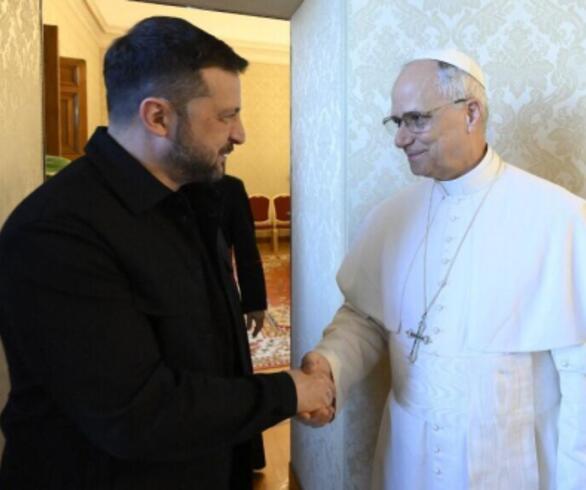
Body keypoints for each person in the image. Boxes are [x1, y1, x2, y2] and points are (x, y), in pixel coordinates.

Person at [0, 16, 335, 490]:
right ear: (158, 117)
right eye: (226, 116)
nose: (240, 134)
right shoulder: (56, 232)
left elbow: (212, 352)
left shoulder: (189, 198)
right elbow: (136, 413)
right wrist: (289, 392)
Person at [300, 49, 586, 489]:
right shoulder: (391, 217)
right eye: (397, 122)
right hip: (408, 458)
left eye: (416, 119)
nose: (400, 139)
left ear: (471, 113)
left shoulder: (559, 218)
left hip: (509, 465)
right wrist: (329, 365)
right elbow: (365, 319)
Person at [215, 172, 267, 338]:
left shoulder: (230, 188)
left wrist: (254, 302)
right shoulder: (165, 185)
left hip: (220, 293)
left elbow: (246, 248)